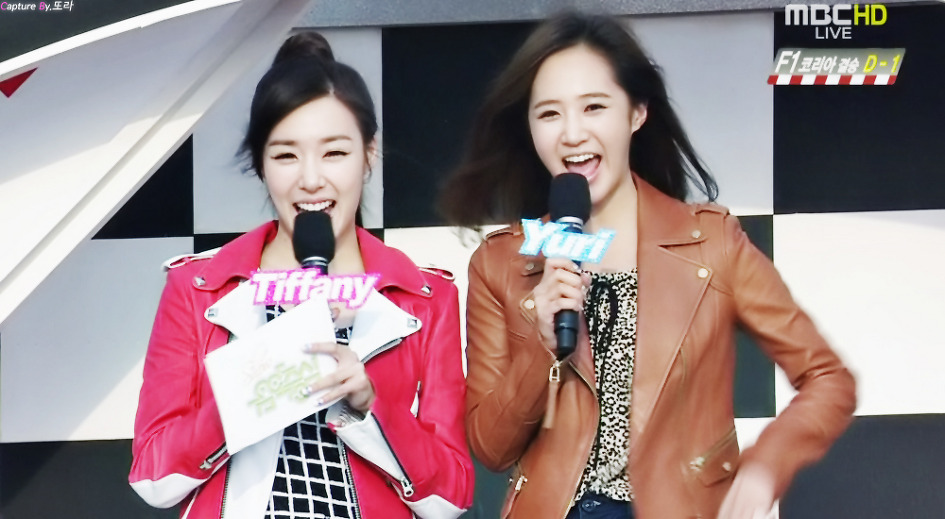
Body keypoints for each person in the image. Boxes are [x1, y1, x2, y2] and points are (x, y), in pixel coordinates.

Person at [439, 12, 856, 519]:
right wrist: (541, 347)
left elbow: (827, 378)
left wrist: (765, 467)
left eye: (594, 107)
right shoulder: (502, 262)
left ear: (636, 113)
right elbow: (490, 447)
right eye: (548, 114)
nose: (572, 134)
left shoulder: (710, 243)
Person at [130, 32, 473, 519]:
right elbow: (153, 479)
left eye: (334, 153)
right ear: (260, 163)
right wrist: (258, 385)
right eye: (286, 155)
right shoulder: (199, 287)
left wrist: (369, 407)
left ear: (369, 154)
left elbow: (451, 497)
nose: (311, 180)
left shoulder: (425, 296)